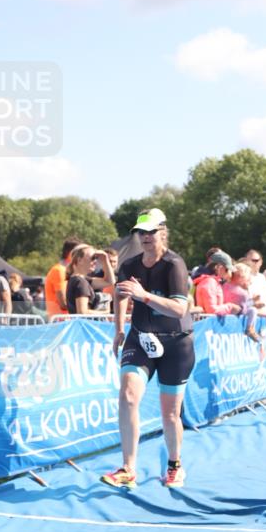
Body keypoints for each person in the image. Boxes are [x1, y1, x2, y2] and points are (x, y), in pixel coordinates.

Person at [105, 208, 195, 490]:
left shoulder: (174, 265)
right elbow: (121, 294)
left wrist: (144, 296)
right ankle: (129, 469)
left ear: (163, 233)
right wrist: (119, 329)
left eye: (151, 232)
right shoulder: (130, 265)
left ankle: (174, 464)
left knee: (170, 414)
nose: (145, 237)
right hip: (140, 337)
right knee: (128, 395)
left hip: (175, 342)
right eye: (141, 232)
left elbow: (181, 307)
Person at [66, 245, 115, 314]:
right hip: (83, 324)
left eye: (96, 258)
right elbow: (82, 312)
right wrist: (105, 312)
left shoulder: (78, 279)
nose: (95, 261)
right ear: (79, 260)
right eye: (93, 258)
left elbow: (109, 281)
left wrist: (105, 260)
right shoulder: (80, 282)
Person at [45, 237, 80, 319]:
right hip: (60, 322)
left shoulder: (66, 270)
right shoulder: (59, 270)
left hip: (66, 321)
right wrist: (84, 308)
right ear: (72, 253)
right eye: (80, 253)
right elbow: (63, 303)